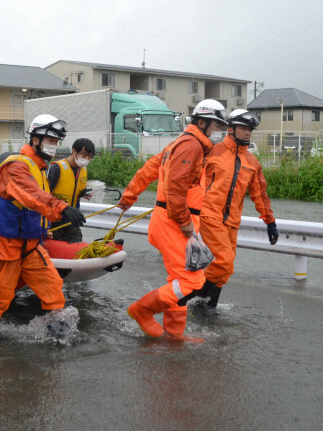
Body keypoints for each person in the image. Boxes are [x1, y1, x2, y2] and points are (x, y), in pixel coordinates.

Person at [118, 99, 229, 341]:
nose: (219, 131)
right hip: (175, 220)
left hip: (171, 219)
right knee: (191, 282)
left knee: (178, 280)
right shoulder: (192, 146)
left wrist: (129, 195)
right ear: (202, 122)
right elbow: (175, 186)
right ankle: (141, 311)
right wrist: (185, 223)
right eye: (216, 125)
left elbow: (149, 168)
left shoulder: (181, 143)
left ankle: (174, 333)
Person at [0, 114, 86, 332]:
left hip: (30, 245)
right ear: (35, 139)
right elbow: (31, 195)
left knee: (53, 288)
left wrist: (48, 225)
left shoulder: (39, 168)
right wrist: (63, 207)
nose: (54, 146)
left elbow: (37, 206)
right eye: (50, 141)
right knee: (0, 296)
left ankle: (61, 334)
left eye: (57, 142)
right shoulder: (16, 166)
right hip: (5, 244)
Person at [196, 110, 278, 309]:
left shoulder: (252, 162)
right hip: (208, 215)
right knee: (224, 261)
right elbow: (188, 177)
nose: (248, 133)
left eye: (250, 129)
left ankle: (205, 307)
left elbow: (260, 195)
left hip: (231, 222)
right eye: (243, 128)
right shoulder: (211, 151)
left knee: (225, 270)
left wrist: (270, 222)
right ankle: (193, 297)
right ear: (230, 129)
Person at [47, 138, 95, 243]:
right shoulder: (57, 168)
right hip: (53, 221)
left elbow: (75, 191)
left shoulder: (83, 170)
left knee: (77, 247)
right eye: (84, 155)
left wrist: (84, 194)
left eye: (89, 157)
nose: (86, 159)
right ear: (74, 151)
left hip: (71, 221)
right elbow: (44, 195)